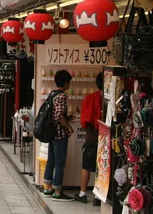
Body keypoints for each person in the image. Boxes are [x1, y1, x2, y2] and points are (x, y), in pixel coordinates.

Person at [43, 70, 74, 202]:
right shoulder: (61, 96)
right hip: (59, 134)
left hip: (51, 133)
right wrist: (68, 126)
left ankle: (48, 187)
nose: (70, 85)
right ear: (66, 83)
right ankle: (58, 190)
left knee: (51, 160)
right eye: (69, 82)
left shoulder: (52, 94)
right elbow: (59, 116)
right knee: (60, 162)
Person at [75, 72, 104, 205]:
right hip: (105, 137)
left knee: (86, 166)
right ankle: (98, 197)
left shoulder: (89, 98)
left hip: (91, 136)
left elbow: (85, 119)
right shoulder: (109, 99)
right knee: (101, 167)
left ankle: (82, 194)